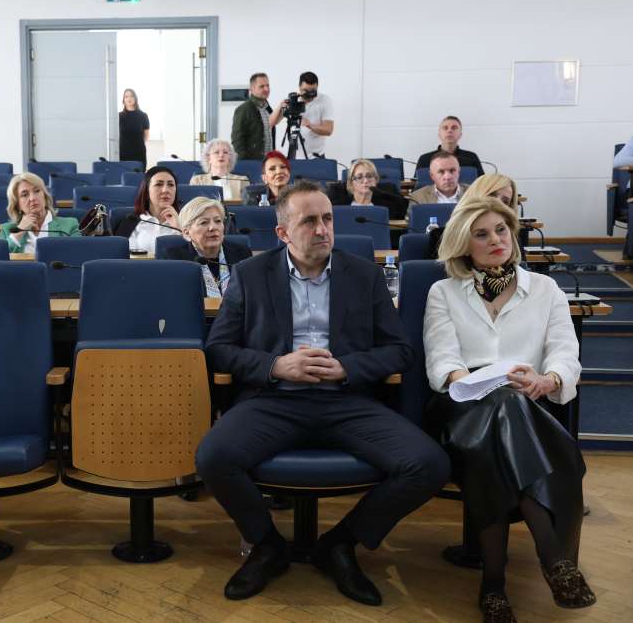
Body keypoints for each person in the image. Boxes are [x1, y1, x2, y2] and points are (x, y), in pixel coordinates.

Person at [196, 180, 449, 604]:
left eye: (327, 218)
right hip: (274, 400)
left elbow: (399, 350)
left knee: (429, 464)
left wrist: (348, 367)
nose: (322, 229)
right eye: (309, 221)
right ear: (283, 232)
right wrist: (275, 366)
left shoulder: (364, 275)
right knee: (212, 458)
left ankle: (341, 543)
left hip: (346, 400)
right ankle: (267, 545)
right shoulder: (250, 275)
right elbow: (219, 349)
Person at [423, 197, 595, 622]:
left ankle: (493, 586)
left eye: (501, 230)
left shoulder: (546, 289)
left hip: (526, 406)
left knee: (504, 423)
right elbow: (442, 361)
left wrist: (547, 380)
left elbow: (565, 354)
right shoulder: (443, 291)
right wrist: (480, 382)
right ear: (464, 244)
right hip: (462, 407)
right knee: (503, 401)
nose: (496, 240)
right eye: (481, 234)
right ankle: (553, 558)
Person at [158, 196, 252, 297]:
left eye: (218, 221)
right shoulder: (174, 259)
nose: (213, 227)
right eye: (204, 222)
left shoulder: (242, 254)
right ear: (186, 233)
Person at [425, 172, 521, 259]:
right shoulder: (439, 237)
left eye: (505, 202)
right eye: (491, 196)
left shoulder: (510, 238)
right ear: (474, 196)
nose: (497, 203)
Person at [0, 172, 80, 254]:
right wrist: (19, 231)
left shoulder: (70, 225)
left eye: (37, 191)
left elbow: (78, 253)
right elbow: (0, 256)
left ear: (45, 196)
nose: (32, 198)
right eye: (25, 195)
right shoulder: (6, 230)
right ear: (17, 204)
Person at [114, 165, 182, 256]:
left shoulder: (188, 221)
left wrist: (179, 227)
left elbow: (194, 256)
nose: (166, 190)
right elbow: (122, 257)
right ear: (146, 191)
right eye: (159, 184)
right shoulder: (131, 221)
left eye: (171, 185)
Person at [272, 71, 335, 158]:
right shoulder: (293, 100)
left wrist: (310, 125)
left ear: (317, 87)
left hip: (315, 157)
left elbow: (328, 130)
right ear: (299, 87)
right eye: (306, 91)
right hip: (292, 157)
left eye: (312, 91)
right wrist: (280, 107)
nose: (309, 94)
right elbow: (272, 123)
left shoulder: (324, 100)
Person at [328, 159, 409, 219]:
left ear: (376, 180)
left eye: (369, 176)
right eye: (359, 177)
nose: (365, 181)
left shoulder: (388, 202)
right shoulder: (338, 204)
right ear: (351, 183)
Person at [416, 116, 484, 176]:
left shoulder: (471, 158)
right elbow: (416, 184)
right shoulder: (425, 159)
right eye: (445, 128)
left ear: (460, 134)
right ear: (439, 134)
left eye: (454, 128)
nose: (449, 131)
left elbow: (483, 184)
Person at [231, 73, 275, 160]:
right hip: (252, 163)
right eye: (262, 86)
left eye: (267, 85)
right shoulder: (243, 109)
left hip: (268, 162)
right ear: (252, 89)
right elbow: (237, 140)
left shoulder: (268, 109)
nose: (266, 89)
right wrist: (245, 163)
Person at [118, 88, 150, 167]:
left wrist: (138, 145)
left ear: (135, 98)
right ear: (123, 100)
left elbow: (146, 135)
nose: (129, 98)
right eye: (126, 97)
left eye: (131, 96)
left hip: (139, 153)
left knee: (139, 173)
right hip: (123, 153)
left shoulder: (143, 115)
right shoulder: (119, 116)